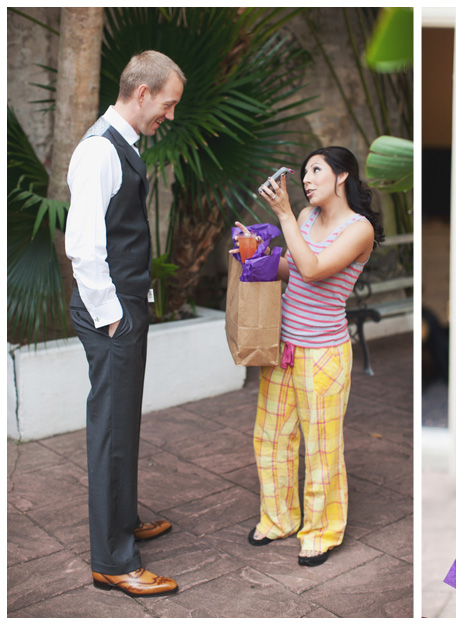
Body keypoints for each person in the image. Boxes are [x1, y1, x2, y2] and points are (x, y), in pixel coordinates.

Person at [65, 50, 185, 597]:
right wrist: (114, 318)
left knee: (123, 425)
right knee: (111, 432)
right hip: (110, 314)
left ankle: (122, 520)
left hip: (125, 307)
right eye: (168, 103)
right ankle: (113, 560)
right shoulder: (98, 153)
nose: (171, 115)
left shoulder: (122, 146)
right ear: (142, 93)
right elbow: (83, 249)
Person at [239, 146, 383, 566]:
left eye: (316, 170)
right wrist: (257, 257)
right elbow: (293, 268)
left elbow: (316, 270)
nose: (306, 179)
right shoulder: (307, 218)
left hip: (324, 353)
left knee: (321, 446)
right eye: (303, 172)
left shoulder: (360, 230)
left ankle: (322, 531)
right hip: (284, 347)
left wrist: (284, 215)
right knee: (270, 437)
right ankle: (279, 518)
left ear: (341, 177)